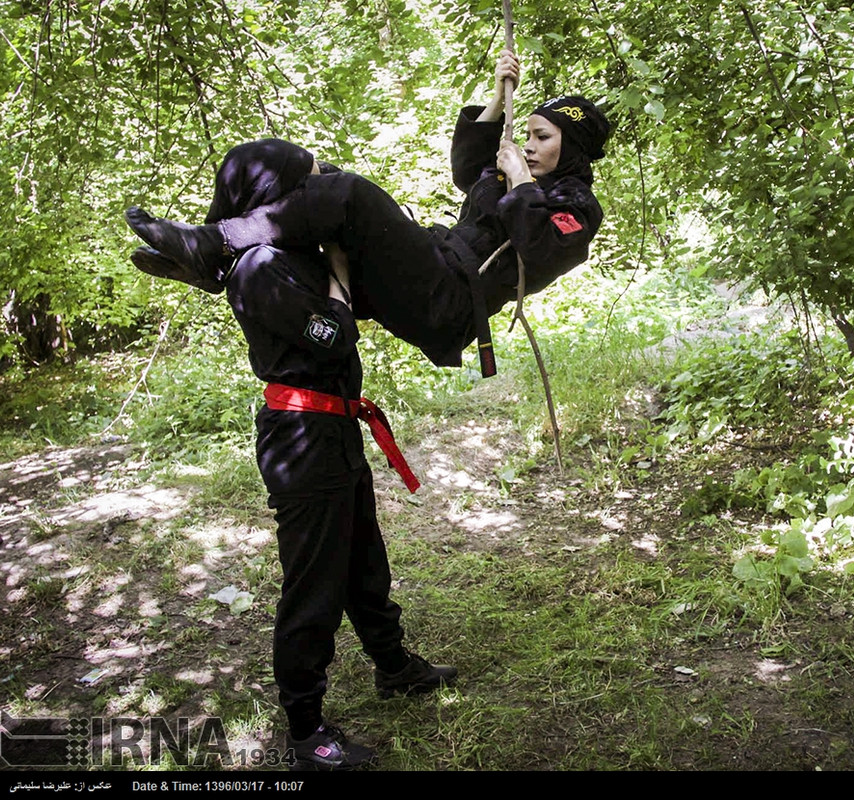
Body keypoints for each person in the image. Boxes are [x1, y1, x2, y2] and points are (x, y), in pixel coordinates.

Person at [133, 141, 457, 771]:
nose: (317, 190)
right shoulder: (260, 266)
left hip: (333, 430)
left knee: (364, 557)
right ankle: (306, 729)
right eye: (306, 182)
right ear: (271, 195)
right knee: (314, 583)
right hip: (302, 436)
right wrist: (337, 276)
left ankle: (394, 667)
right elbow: (332, 338)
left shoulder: (293, 254)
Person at [127, 51, 611, 372]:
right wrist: (497, 94)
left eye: (541, 138)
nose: (527, 147)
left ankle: (215, 245)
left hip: (448, 301)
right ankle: (215, 256)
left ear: (573, 149)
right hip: (423, 268)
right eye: (525, 135)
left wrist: (522, 181)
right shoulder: (513, 178)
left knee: (350, 195)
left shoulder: (575, 204)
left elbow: (545, 247)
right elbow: (468, 169)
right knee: (273, 163)